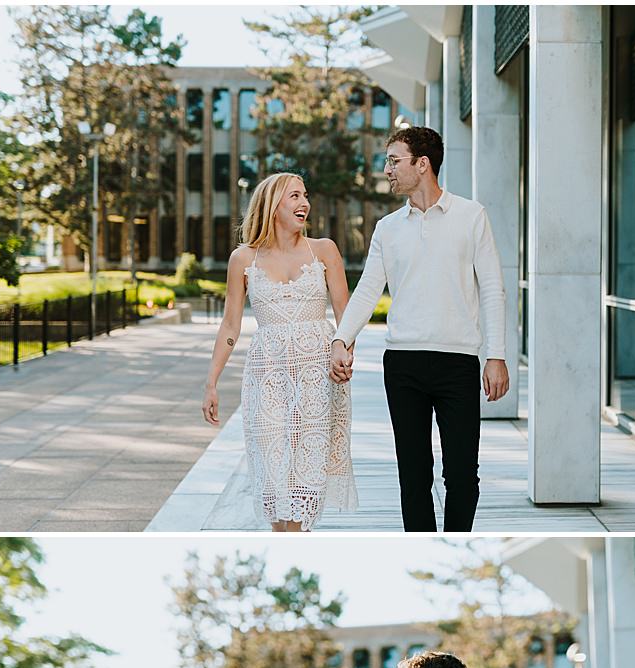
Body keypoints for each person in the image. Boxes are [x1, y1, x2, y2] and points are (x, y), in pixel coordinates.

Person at [329, 126, 509, 533]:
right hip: (403, 365)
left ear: (422, 164)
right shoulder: (388, 229)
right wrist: (341, 337)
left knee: (463, 475)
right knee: (413, 477)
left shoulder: (471, 216)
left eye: (394, 160)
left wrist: (495, 355)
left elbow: (494, 289)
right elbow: (368, 290)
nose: (387, 169)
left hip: (458, 363)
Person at [201, 171, 358, 531]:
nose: (304, 203)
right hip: (267, 377)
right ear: (273, 205)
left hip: (318, 376)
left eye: (305, 195)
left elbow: (346, 316)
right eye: (295, 196)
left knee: (306, 478)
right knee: (275, 478)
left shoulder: (324, 250)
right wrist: (211, 382)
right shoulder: (243, 259)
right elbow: (230, 326)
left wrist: (345, 352)